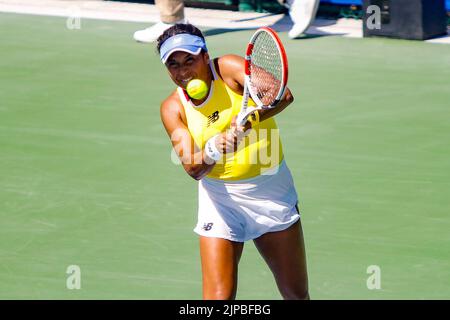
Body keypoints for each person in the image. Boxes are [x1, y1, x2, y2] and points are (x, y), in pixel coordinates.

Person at [157, 23, 309, 300]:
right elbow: (193, 167)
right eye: (173, 65)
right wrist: (215, 147)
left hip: (269, 193)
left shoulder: (228, 68)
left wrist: (246, 123)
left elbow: (281, 95)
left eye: (189, 60)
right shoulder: (172, 108)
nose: (183, 72)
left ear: (205, 56)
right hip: (219, 201)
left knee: (296, 296)